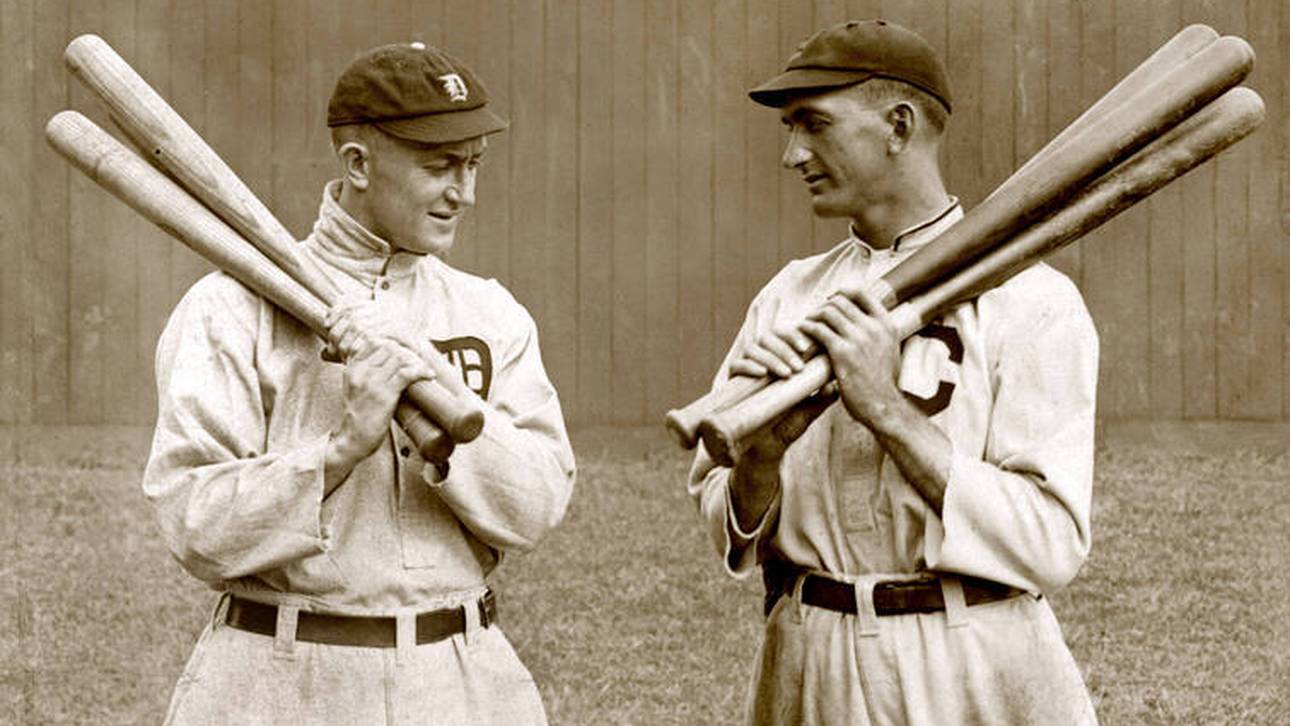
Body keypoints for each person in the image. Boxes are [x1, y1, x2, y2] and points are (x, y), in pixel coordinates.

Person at [144, 41, 575, 725]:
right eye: (440, 166)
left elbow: (539, 503)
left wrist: (445, 422)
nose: (464, 192)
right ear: (358, 164)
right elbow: (194, 524)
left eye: (473, 166)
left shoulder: (489, 311)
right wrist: (339, 449)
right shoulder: (229, 308)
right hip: (280, 674)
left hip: (460, 677)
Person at [687, 20, 1099, 725]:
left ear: (898, 126)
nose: (793, 154)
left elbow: (1050, 542)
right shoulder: (789, 296)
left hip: (974, 658)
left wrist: (885, 408)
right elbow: (730, 526)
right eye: (790, 129)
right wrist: (761, 458)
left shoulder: (1031, 300)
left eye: (813, 124)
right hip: (811, 655)